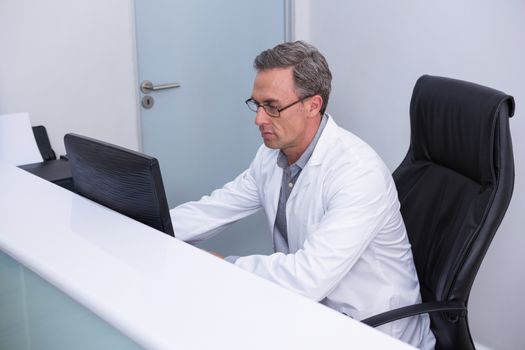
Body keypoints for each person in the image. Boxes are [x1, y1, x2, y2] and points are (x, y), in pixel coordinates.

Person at [170, 41, 435, 349]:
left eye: (272, 106)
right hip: (310, 313)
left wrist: (223, 265)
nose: (259, 119)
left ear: (313, 105)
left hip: (370, 331)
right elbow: (216, 208)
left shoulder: (358, 173)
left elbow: (309, 277)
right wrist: (150, 219)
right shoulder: (272, 155)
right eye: (256, 104)